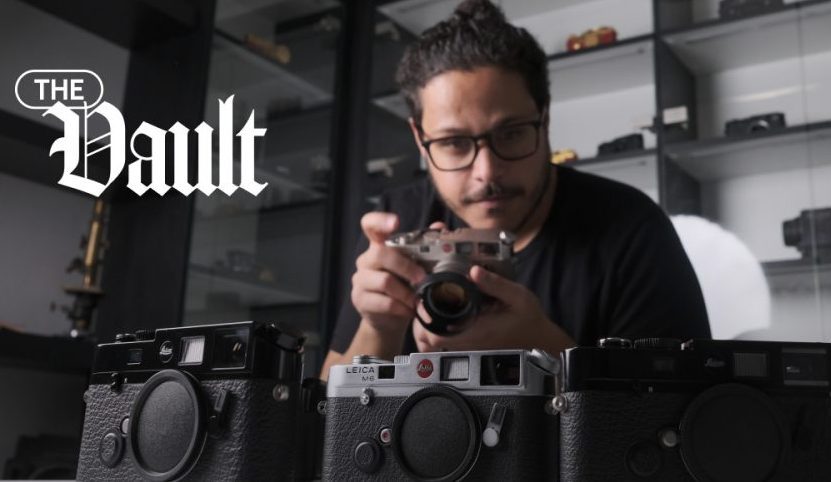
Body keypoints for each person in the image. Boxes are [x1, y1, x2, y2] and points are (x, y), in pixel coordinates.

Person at [320, 0, 710, 379]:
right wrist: (379, 329)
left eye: (511, 134)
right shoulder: (399, 221)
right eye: (454, 143)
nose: (486, 172)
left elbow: (682, 419)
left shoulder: (631, 228)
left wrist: (547, 352)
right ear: (420, 141)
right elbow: (323, 421)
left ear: (545, 117)